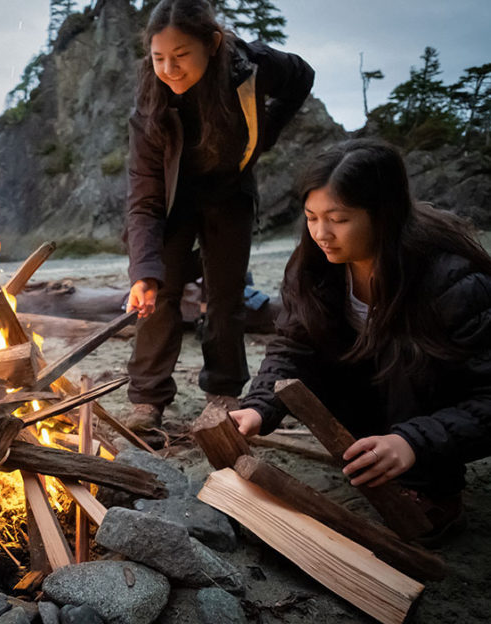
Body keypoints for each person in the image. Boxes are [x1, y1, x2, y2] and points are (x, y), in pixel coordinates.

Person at [230, 138, 491, 539]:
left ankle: (434, 490)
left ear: (382, 215)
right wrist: (260, 405)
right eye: (311, 217)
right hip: (366, 405)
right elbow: (293, 344)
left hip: (430, 407)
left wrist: (413, 442)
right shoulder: (316, 267)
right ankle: (372, 452)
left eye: (338, 218)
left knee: (407, 355)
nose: (321, 233)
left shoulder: (449, 280)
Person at [125, 0, 314, 429]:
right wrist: (143, 271)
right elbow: (144, 200)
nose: (169, 69)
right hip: (174, 196)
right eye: (159, 58)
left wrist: (267, 132)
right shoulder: (149, 105)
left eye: (181, 55)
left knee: (225, 293)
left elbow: (302, 76)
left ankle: (223, 392)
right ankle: (147, 401)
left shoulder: (251, 66)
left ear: (212, 44)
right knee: (160, 289)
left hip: (229, 189)